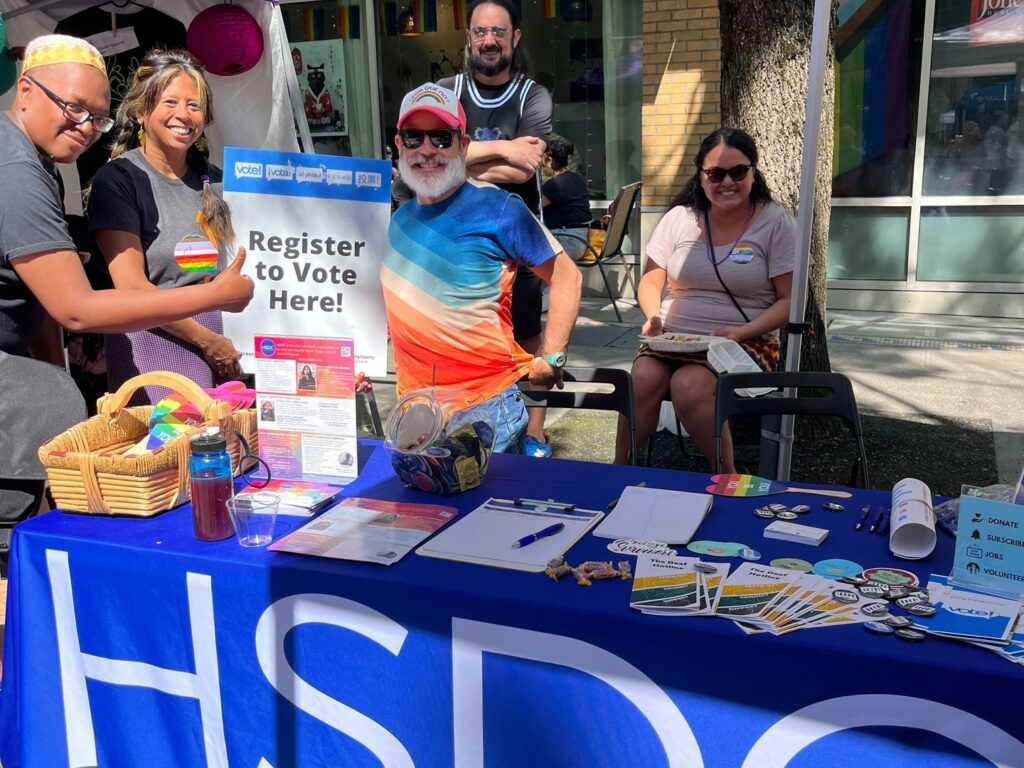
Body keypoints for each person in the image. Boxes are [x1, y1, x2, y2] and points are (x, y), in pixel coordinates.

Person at [0, 35, 252, 556]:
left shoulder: (42, 161)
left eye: (96, 115)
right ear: (24, 90)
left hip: (213, 349)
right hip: (154, 351)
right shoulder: (25, 173)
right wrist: (210, 323)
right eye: (73, 108)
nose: (86, 125)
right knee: (150, 473)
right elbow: (79, 306)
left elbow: (43, 302)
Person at [383, 82, 581, 454]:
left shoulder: (499, 208)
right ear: (399, 145)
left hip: (485, 413)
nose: (427, 149)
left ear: (464, 144)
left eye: (441, 137)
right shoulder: (398, 220)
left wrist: (552, 356)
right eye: (414, 137)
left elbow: (568, 275)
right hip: (414, 411)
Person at [614, 128, 795, 470]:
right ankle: (620, 467)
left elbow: (788, 301)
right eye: (715, 173)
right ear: (701, 175)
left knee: (689, 384)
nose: (727, 182)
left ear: (753, 172)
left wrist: (740, 333)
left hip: (746, 340)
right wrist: (654, 317)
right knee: (641, 379)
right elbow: (652, 280)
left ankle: (726, 475)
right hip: (672, 338)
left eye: (738, 171)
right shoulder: (679, 218)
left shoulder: (777, 223)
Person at [88, 49, 245, 404]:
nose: (184, 115)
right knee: (170, 458)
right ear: (141, 111)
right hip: (156, 350)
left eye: (194, 105)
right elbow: (132, 289)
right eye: (170, 102)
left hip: (226, 352)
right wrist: (207, 340)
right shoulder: (118, 182)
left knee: (233, 454)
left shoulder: (218, 182)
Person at [438, 0, 556, 458]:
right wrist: (503, 149)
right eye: (480, 32)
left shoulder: (534, 95)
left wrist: (453, 163)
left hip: (517, 243)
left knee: (526, 339)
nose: (489, 41)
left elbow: (525, 171)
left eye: (499, 33)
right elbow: (426, 157)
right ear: (468, 37)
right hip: (455, 244)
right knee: (462, 338)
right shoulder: (446, 92)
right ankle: (460, 429)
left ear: (515, 38)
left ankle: (536, 433)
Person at [541, 135, 592, 261]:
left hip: (566, 242)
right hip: (581, 241)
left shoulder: (554, 185)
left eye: (542, 160)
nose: (541, 165)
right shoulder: (577, 178)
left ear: (549, 161)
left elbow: (532, 207)